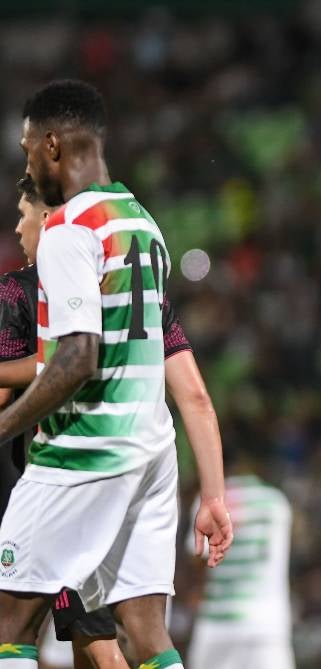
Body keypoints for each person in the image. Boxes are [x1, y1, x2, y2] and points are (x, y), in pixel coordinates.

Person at [0, 79, 232, 669]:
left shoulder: (68, 228)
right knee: (148, 634)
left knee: (10, 622)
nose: (28, 165)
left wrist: (4, 426)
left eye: (28, 150)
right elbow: (183, 384)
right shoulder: (141, 221)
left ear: (51, 145)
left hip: (85, 449)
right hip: (152, 451)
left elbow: (78, 357)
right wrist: (212, 493)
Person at [187, 448, 294, 669]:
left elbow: (197, 558)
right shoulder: (276, 502)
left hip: (216, 623)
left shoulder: (208, 503)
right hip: (266, 623)